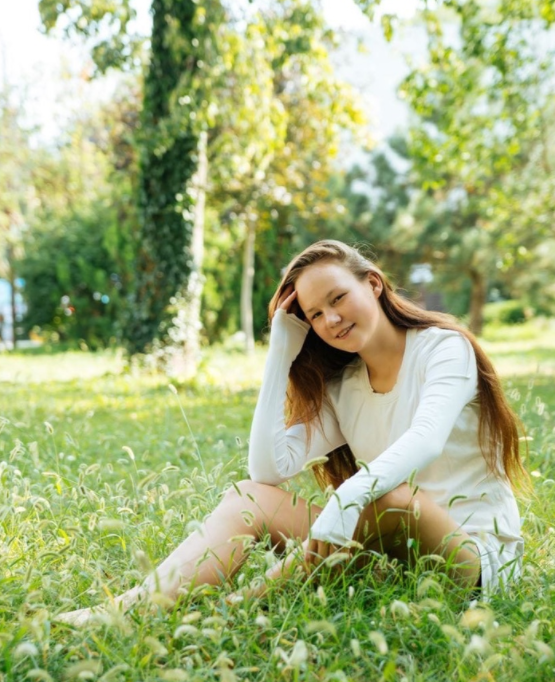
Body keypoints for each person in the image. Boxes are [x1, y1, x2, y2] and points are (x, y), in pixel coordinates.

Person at [57, 240, 525, 626]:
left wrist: (348, 498)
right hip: (391, 561)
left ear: (373, 283)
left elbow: (427, 438)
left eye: (338, 298)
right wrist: (280, 351)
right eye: (315, 314)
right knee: (248, 495)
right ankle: (135, 606)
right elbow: (267, 469)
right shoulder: (346, 388)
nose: (331, 320)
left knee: (393, 499)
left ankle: (237, 611)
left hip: (473, 559)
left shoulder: (444, 349)